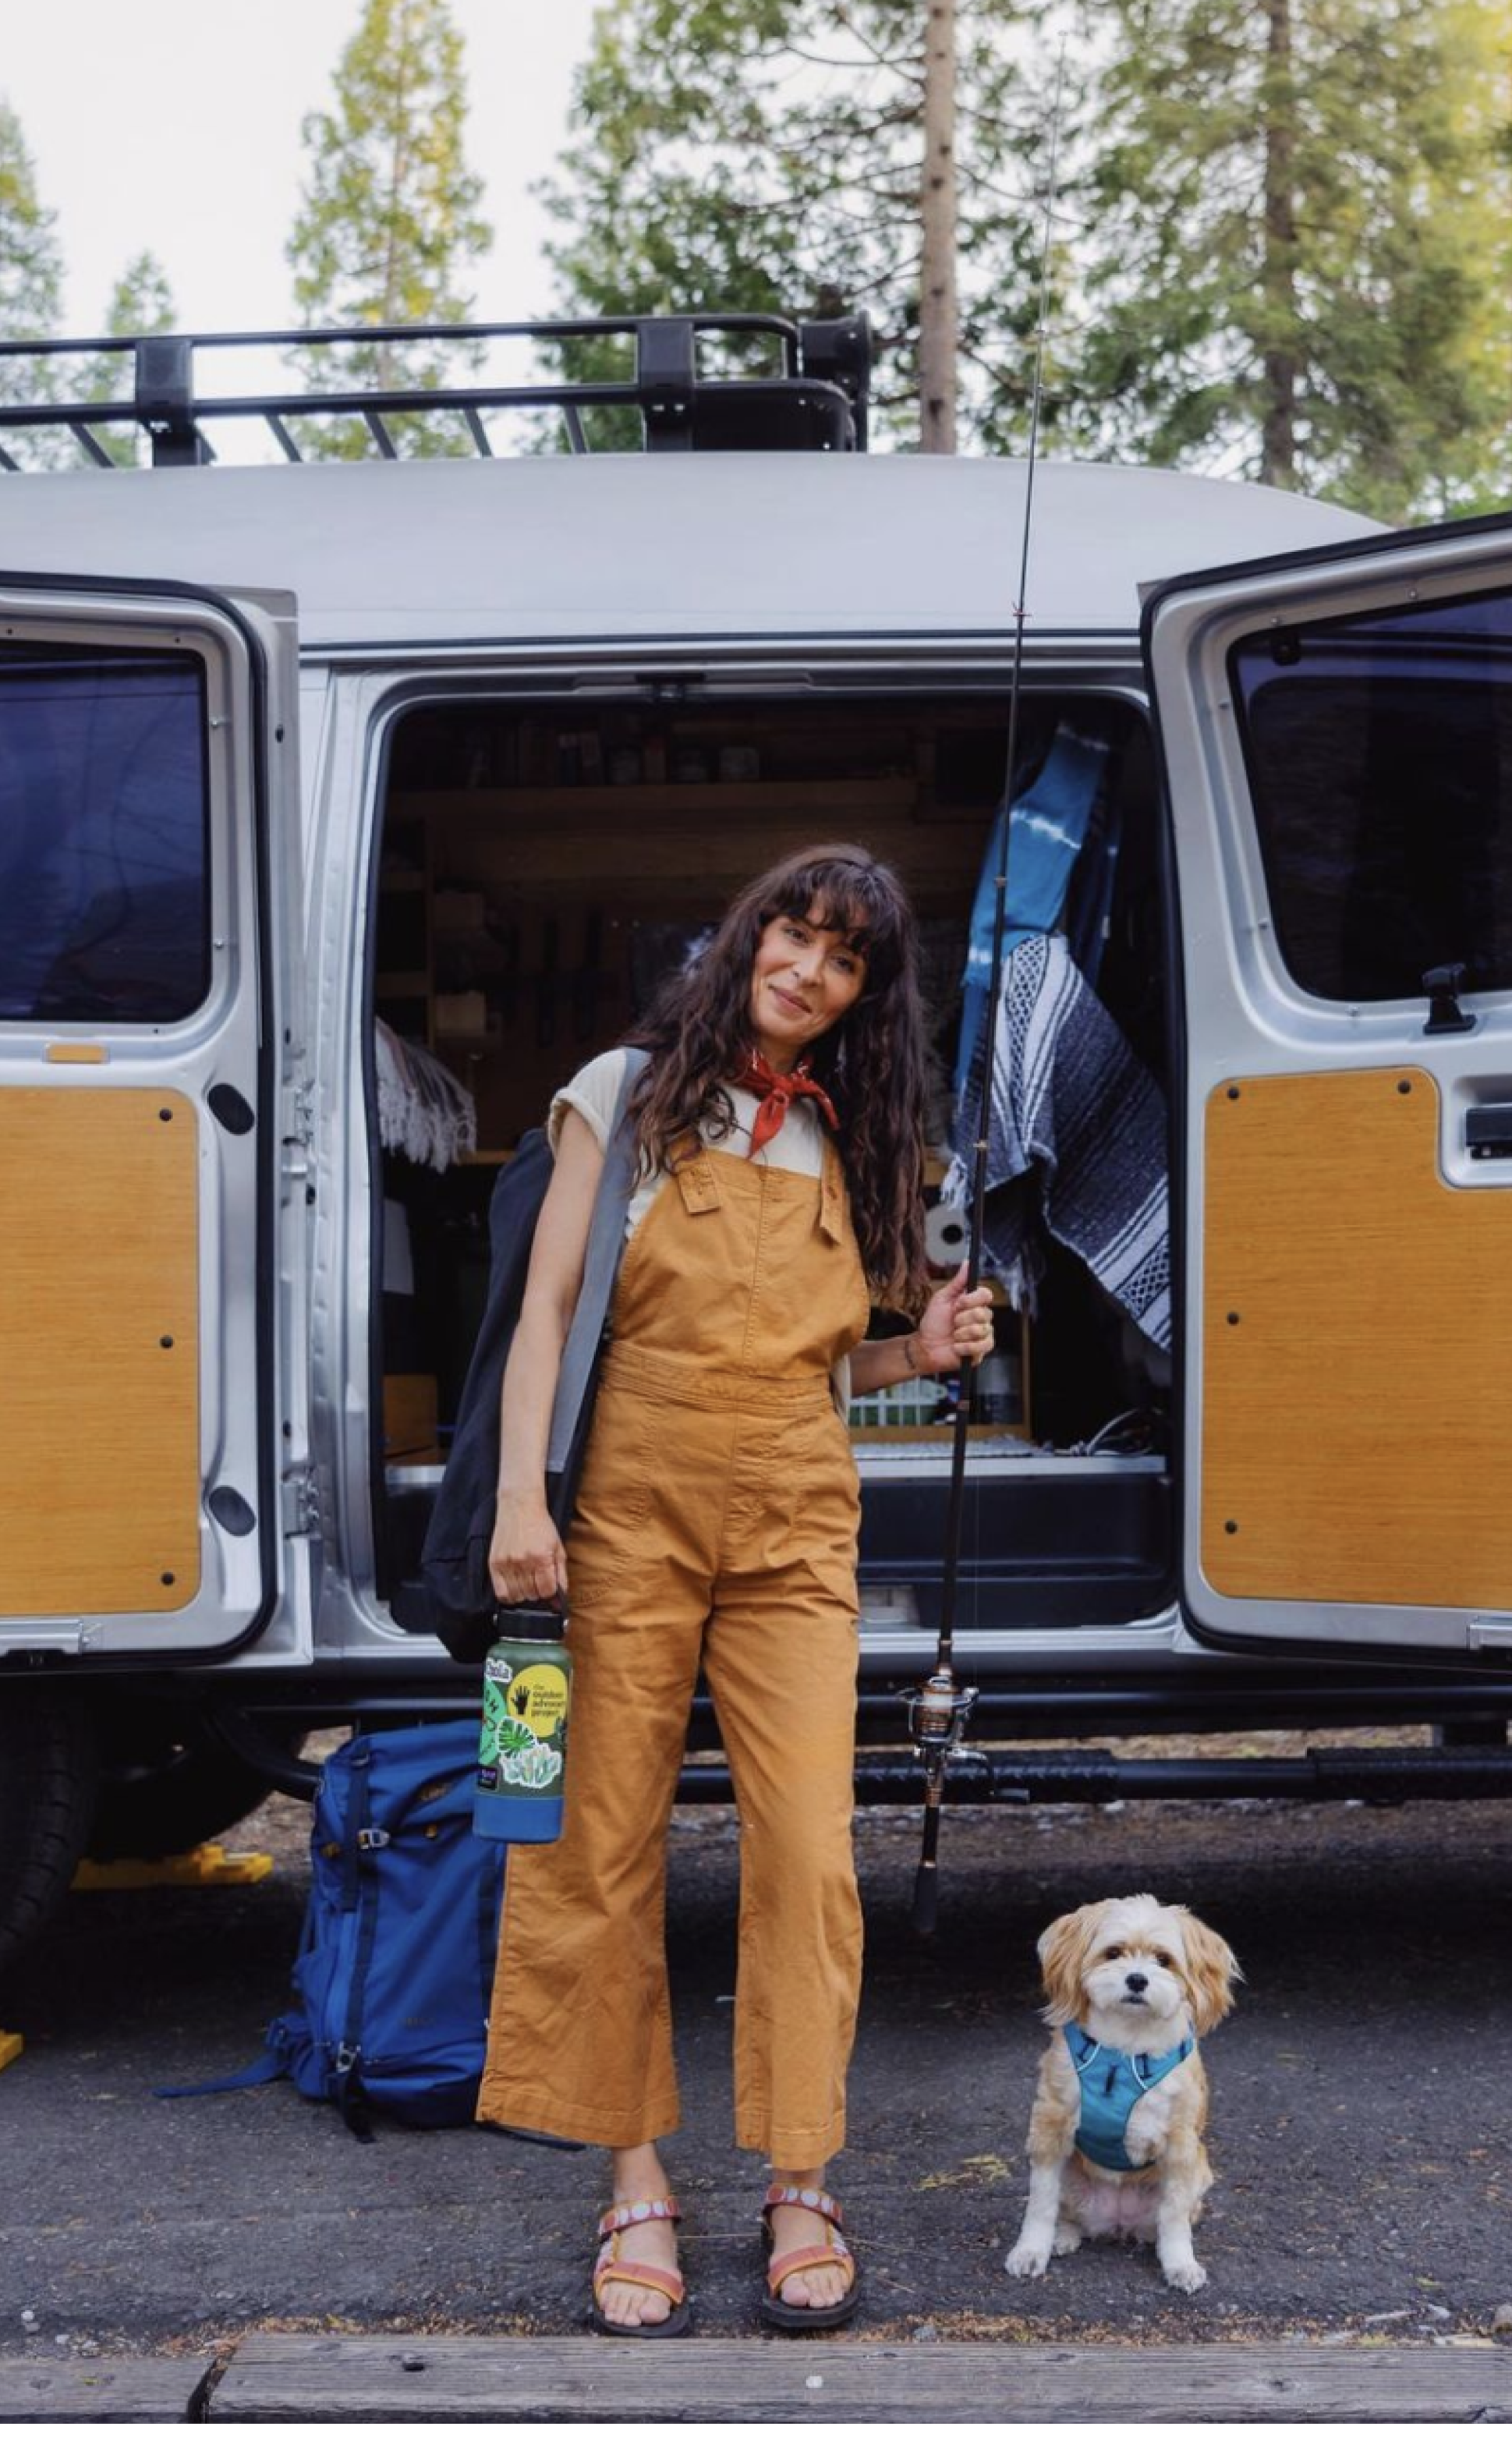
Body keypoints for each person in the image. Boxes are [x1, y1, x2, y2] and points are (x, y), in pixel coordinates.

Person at [478, 842, 997, 2336]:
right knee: (595, 1837)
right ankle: (633, 2176)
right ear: (750, 932)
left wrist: (926, 1348)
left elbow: (836, 1364)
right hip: (625, 1497)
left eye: (844, 962)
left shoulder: (860, 1132)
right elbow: (550, 1309)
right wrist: (526, 1498)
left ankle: (800, 2174)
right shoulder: (626, 1091)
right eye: (797, 935)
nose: (809, 971)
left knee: (810, 1855)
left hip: (794, 1508)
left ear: (861, 997)